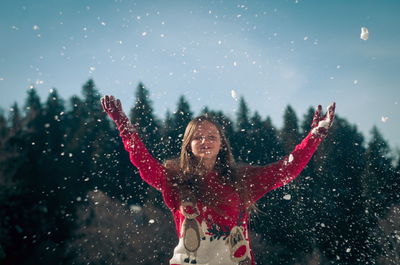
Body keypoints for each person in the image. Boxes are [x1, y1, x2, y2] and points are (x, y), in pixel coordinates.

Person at [101, 95, 336, 265]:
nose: (205, 141)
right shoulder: (175, 180)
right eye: (198, 137)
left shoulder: (242, 180)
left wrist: (314, 137)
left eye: (211, 136)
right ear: (188, 146)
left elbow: (287, 170)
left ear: (222, 143)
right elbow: (144, 163)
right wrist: (124, 126)